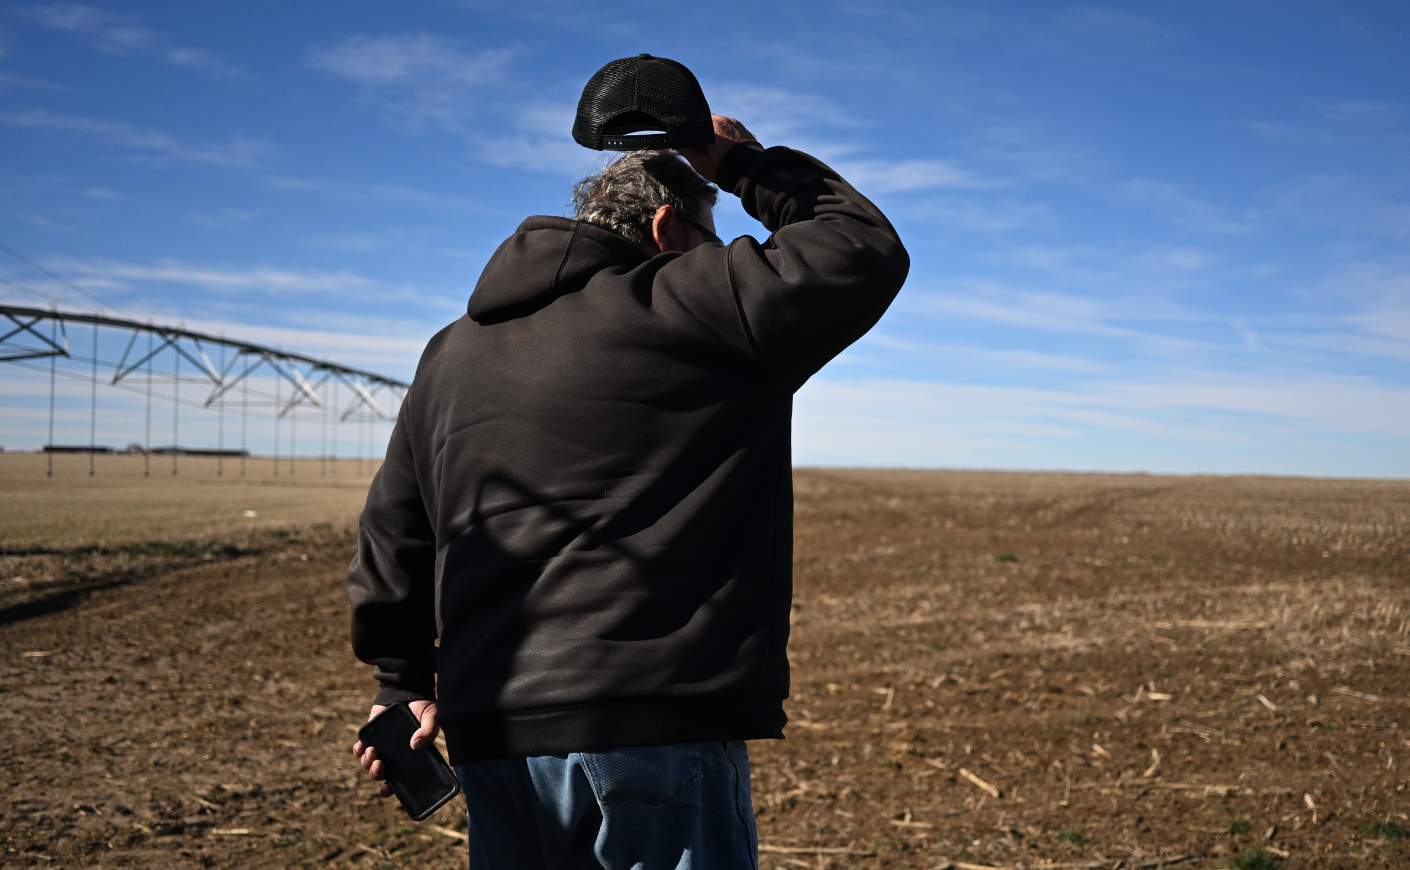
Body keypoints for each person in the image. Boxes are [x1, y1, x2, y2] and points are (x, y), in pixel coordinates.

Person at [349, 112, 909, 869]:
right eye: (711, 233)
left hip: (497, 737)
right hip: (652, 729)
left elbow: (395, 530)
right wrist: (738, 162)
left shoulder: (449, 352)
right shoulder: (696, 303)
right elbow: (860, 250)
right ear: (668, 225)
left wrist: (400, 682)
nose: (719, 252)